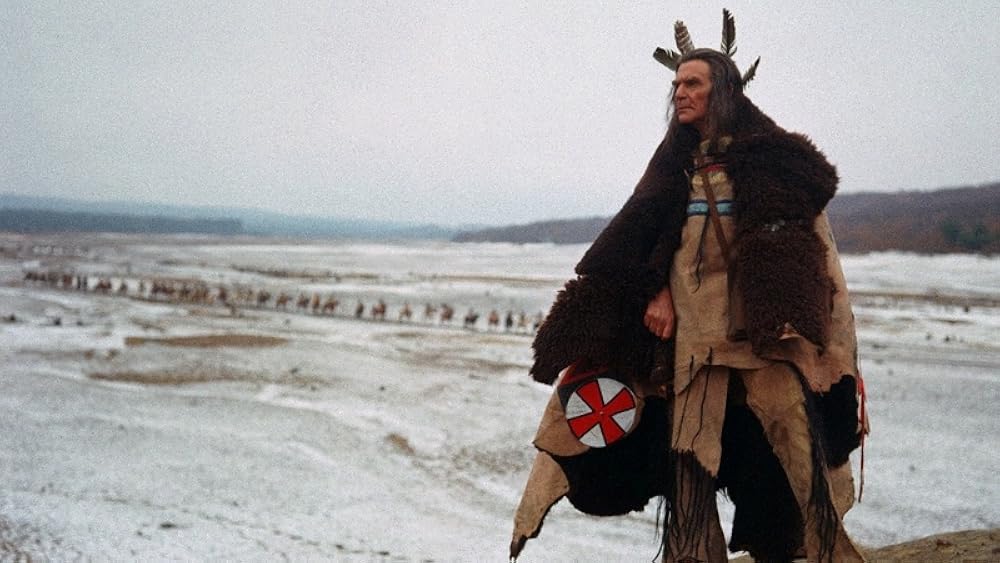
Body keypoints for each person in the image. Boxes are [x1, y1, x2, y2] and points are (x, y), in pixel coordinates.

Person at [510, 11, 867, 563]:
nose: (679, 93)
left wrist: (822, 337)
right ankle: (694, 556)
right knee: (691, 454)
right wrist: (655, 291)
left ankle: (824, 551)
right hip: (694, 345)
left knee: (795, 446)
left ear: (723, 91)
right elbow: (649, 241)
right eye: (676, 84)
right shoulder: (673, 172)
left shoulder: (777, 166)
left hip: (764, 340)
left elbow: (817, 262)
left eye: (693, 83)